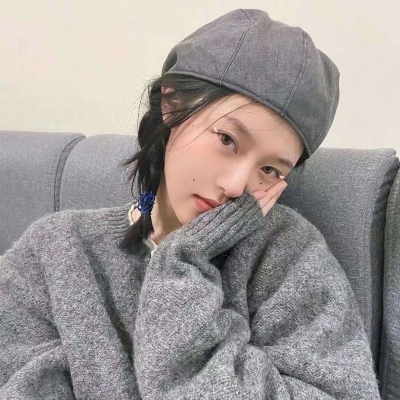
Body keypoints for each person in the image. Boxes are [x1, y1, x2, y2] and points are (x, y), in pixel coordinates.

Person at [0, 9, 381, 399]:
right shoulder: (57, 249)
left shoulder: (289, 257)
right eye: (227, 140)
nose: (235, 186)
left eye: (269, 169)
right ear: (172, 103)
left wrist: (186, 259)